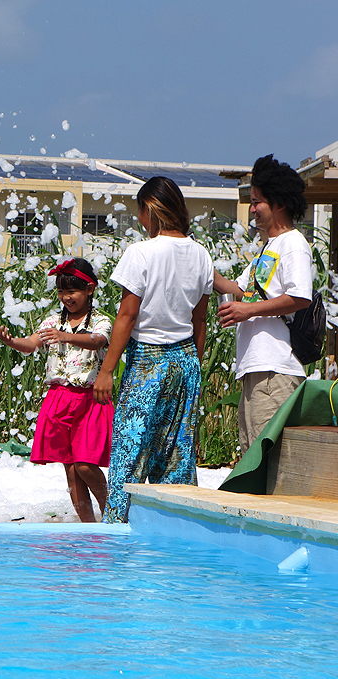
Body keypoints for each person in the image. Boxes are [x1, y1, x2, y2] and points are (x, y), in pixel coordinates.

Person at [93, 177, 213, 523]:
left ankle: (118, 529)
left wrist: (106, 370)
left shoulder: (141, 252)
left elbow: (127, 316)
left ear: (151, 210)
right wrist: (194, 368)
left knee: (130, 452)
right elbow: (200, 321)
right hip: (186, 361)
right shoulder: (201, 254)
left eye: (141, 213)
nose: (140, 220)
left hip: (148, 362)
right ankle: (175, 529)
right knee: (176, 456)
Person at [0, 258, 113, 522]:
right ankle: (88, 526)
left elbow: (97, 341)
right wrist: (10, 341)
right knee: (71, 469)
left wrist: (66, 336)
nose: (66, 297)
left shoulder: (100, 321)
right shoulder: (52, 321)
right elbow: (30, 345)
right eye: (61, 291)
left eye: (72, 291)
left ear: (90, 289)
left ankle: (113, 513)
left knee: (85, 464)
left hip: (90, 399)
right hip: (60, 399)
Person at [214, 154, 313, 453]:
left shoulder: (293, 243)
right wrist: (201, 266)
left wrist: (248, 310)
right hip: (256, 368)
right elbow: (239, 290)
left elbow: (300, 296)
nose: (252, 209)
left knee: (267, 459)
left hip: (275, 371)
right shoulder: (267, 248)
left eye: (257, 201)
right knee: (252, 457)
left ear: (278, 204)